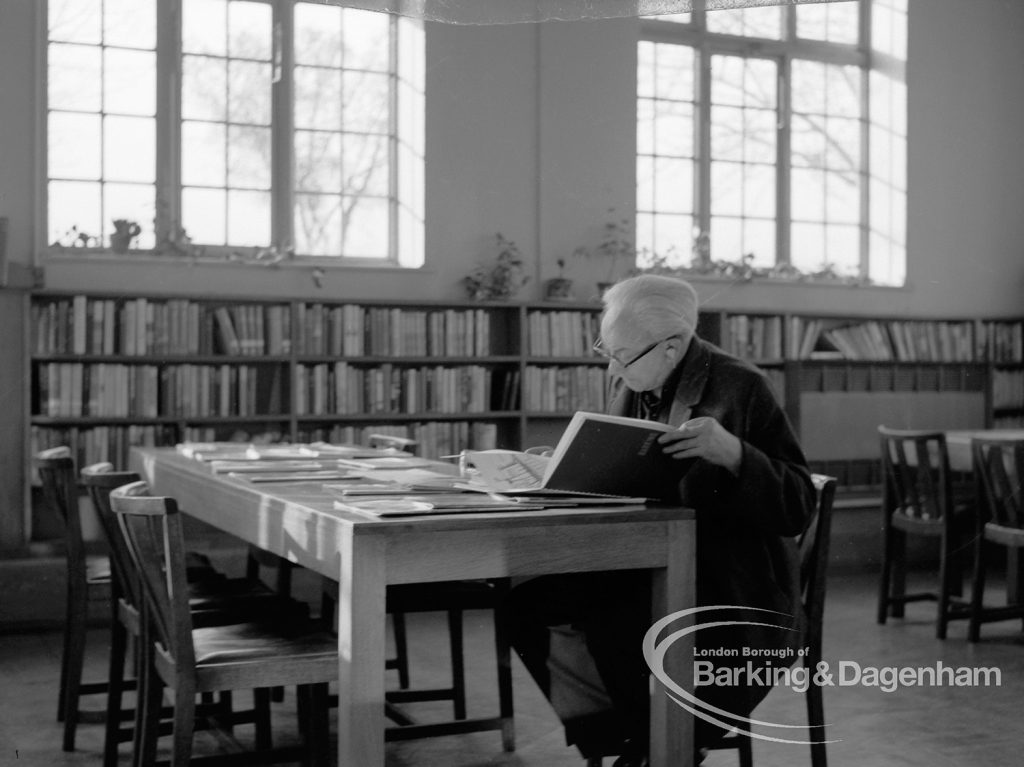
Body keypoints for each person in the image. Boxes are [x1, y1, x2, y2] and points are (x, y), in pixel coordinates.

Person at [504, 273, 816, 766]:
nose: (611, 365)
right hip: (649, 562)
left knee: (612, 618)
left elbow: (798, 503)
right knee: (526, 603)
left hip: (729, 583)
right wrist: (566, 465)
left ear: (672, 348)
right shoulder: (636, 379)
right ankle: (627, 738)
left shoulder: (742, 386)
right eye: (607, 349)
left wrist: (735, 454)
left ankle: (661, 745)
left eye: (622, 355)